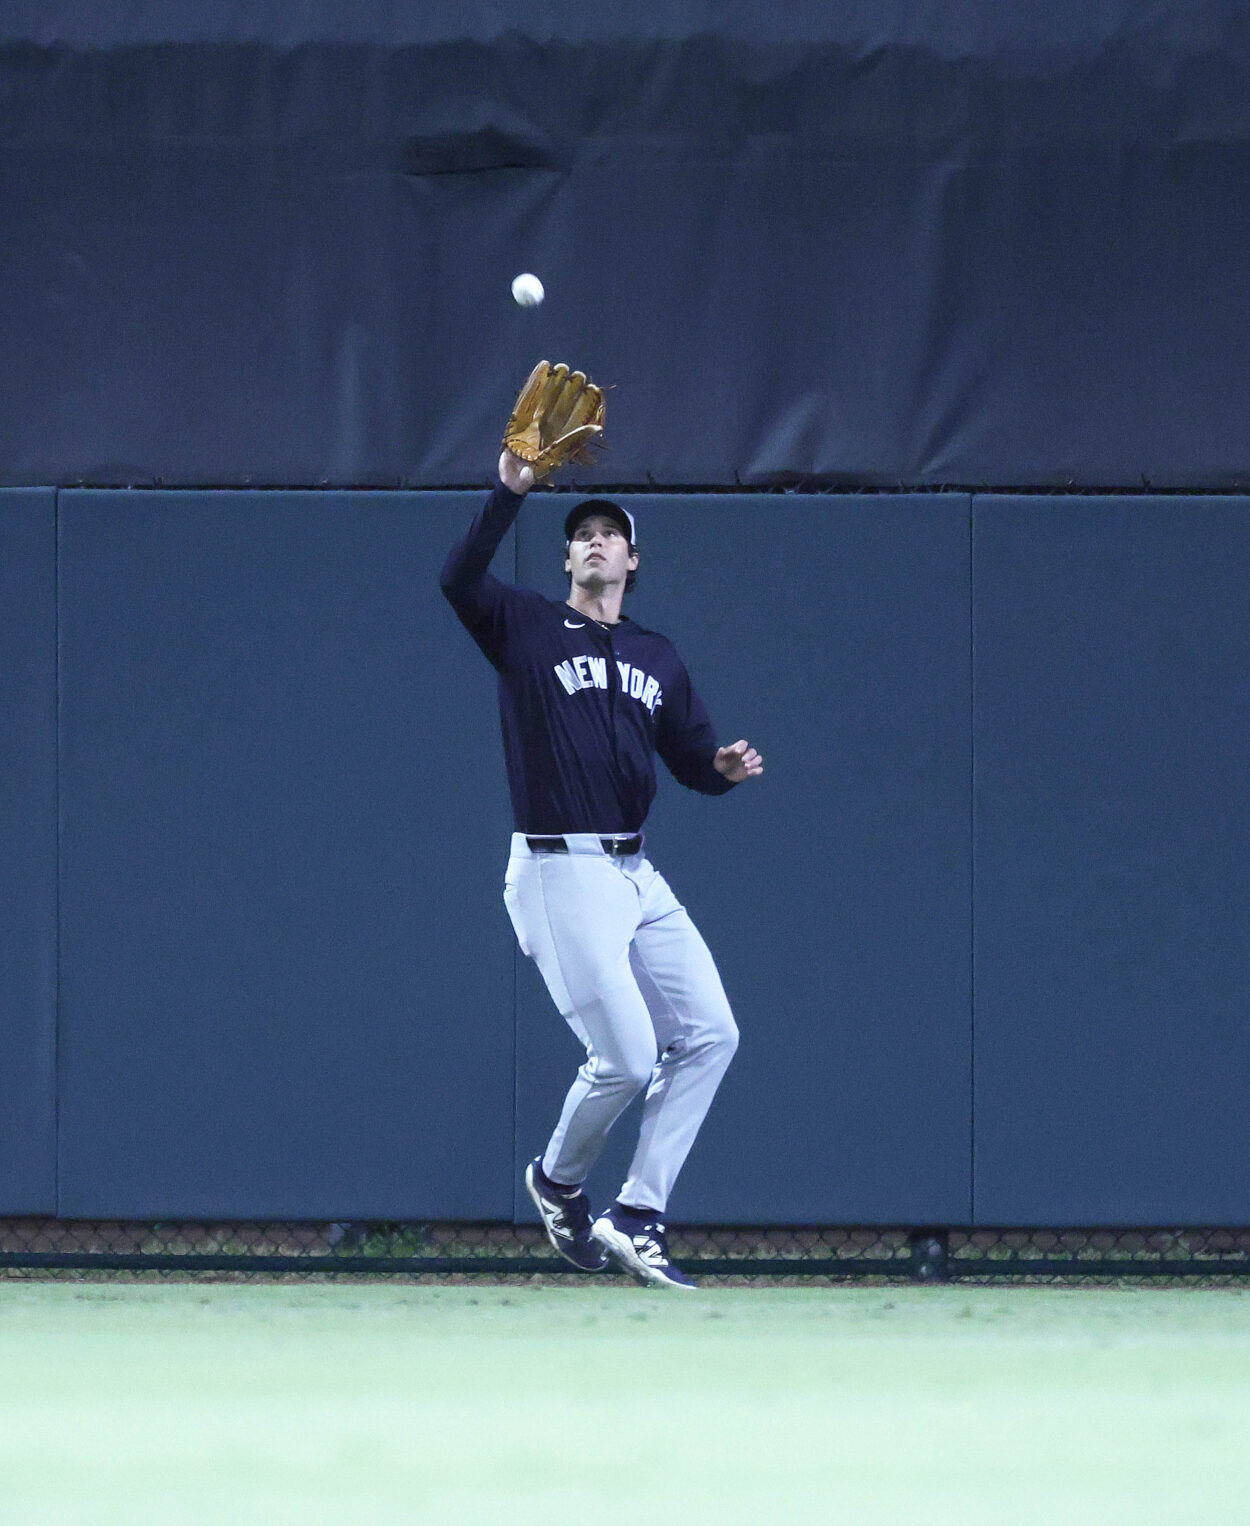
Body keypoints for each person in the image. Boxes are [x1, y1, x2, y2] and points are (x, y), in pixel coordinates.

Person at [440, 445, 763, 1288]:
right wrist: (509, 489)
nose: (593, 543)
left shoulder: (658, 657)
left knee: (712, 1034)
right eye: (580, 534)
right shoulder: (526, 626)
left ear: (632, 560)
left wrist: (720, 772)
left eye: (608, 536)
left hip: (634, 873)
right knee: (625, 1056)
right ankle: (557, 1182)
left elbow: (690, 761)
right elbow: (458, 578)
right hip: (557, 868)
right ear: (567, 558)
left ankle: (638, 1215)